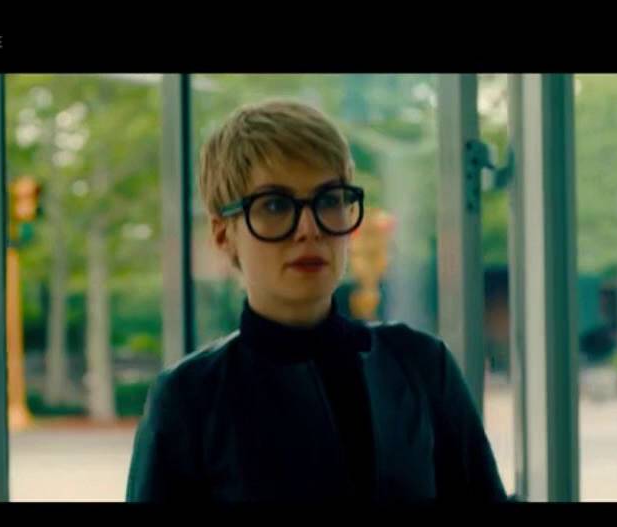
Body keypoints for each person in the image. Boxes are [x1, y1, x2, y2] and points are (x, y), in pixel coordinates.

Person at [126, 99, 506, 502]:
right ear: (223, 233)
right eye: (275, 205)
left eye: (328, 200)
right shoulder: (189, 399)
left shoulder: (422, 366)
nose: (309, 229)